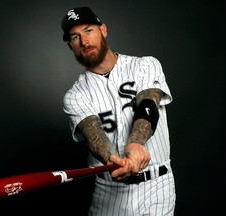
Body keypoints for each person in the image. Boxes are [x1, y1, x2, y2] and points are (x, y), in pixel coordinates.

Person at [60, 6, 176, 216]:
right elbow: (92, 133)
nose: (84, 41)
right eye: (75, 37)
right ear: (71, 46)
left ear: (103, 30)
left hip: (157, 186)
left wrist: (135, 144)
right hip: (109, 191)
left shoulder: (145, 65)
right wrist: (110, 158)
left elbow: (148, 103)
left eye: (88, 30)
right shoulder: (75, 95)